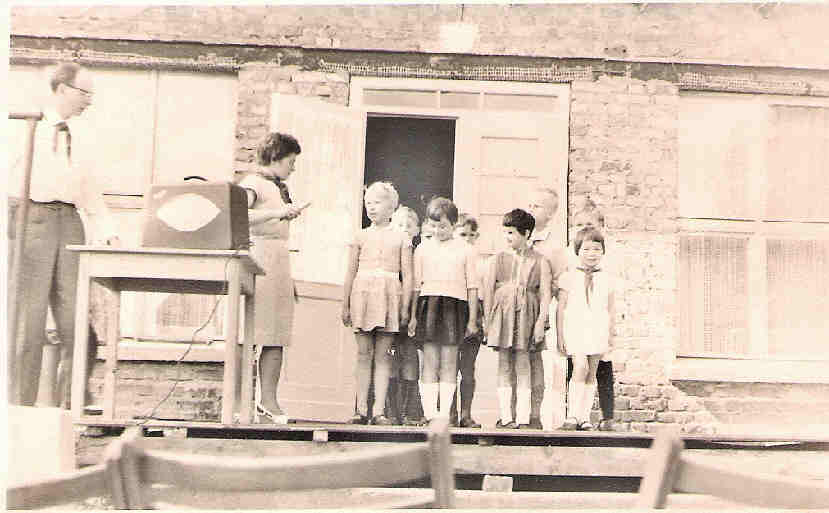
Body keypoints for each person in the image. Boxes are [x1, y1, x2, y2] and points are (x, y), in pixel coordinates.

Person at [8, 62, 118, 407]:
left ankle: (70, 408)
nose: (90, 101)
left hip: (70, 223)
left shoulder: (83, 135)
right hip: (30, 219)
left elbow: (90, 193)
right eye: (85, 93)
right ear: (61, 89)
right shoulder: (24, 127)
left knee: (78, 325)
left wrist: (109, 232)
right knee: (28, 324)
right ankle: (17, 411)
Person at [238, 132, 306, 424]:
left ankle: (268, 401)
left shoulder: (278, 187)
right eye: (291, 161)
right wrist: (278, 213)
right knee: (251, 334)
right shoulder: (253, 183)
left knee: (276, 335)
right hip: (259, 258)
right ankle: (242, 402)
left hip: (278, 261)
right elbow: (237, 212)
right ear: (276, 157)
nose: (293, 168)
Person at [342, 182, 413, 425]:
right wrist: (345, 303)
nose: (371, 207)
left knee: (383, 355)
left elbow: (409, 275)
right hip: (363, 294)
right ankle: (361, 408)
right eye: (368, 203)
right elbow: (350, 272)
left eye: (377, 202)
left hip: (389, 294)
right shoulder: (360, 236)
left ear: (392, 207)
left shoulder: (402, 238)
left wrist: (406, 308)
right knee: (363, 354)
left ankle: (379, 410)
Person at [409, 197, 478, 423]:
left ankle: (444, 415)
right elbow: (416, 286)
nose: (438, 230)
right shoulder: (422, 249)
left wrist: (472, 320)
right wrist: (411, 316)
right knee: (430, 362)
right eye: (434, 225)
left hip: (454, 307)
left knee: (449, 362)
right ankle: (429, 414)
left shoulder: (466, 250)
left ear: (454, 224)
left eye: (444, 226)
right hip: (428, 306)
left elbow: (472, 287)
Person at [483, 209, 552, 429]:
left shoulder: (540, 261)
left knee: (524, 363)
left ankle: (523, 418)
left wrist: (541, 321)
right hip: (503, 314)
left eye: (512, 233)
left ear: (527, 233)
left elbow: (545, 294)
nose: (507, 237)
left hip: (527, 315)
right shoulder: (497, 259)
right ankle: (506, 417)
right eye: (506, 232)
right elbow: (488, 291)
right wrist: (488, 321)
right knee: (504, 363)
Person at [556, 227, 617, 431]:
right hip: (576, 328)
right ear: (577, 251)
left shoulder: (606, 278)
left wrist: (610, 333)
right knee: (580, 366)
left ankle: (584, 418)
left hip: (597, 329)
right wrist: (560, 335)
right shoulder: (568, 276)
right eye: (587, 249)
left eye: (597, 249)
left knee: (592, 371)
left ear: (603, 252)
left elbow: (610, 308)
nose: (592, 254)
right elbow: (561, 308)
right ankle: (572, 415)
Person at [524, 187, 569, 429]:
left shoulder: (554, 246)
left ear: (551, 215)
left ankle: (537, 414)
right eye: (530, 205)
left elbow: (561, 283)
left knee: (540, 362)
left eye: (537, 206)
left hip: (543, 309)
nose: (531, 209)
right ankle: (518, 413)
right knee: (520, 360)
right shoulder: (521, 236)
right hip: (522, 309)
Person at [448, 213, 486, 428]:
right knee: (450, 367)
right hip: (453, 312)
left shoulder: (480, 262)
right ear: (454, 233)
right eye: (462, 234)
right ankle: (451, 414)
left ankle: (466, 414)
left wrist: (481, 319)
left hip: (474, 314)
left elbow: (483, 292)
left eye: (471, 235)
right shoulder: (450, 257)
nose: (467, 239)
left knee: (468, 368)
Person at [389, 205, 424, 425]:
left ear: (417, 229)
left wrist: (412, 313)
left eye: (408, 225)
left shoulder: (419, 252)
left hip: (413, 310)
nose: (403, 229)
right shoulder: (390, 250)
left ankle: (410, 409)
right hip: (390, 308)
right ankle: (391, 409)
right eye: (399, 225)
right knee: (390, 355)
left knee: (410, 354)